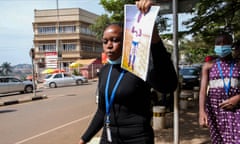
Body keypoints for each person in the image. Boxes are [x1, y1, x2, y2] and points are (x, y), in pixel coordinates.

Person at [78, 0, 178, 143]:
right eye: (105, 41)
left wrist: (155, 39)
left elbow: (168, 85)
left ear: (126, 41)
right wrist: (84, 139)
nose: (109, 46)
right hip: (109, 138)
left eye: (115, 40)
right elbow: (102, 111)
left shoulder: (139, 66)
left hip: (137, 139)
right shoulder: (105, 70)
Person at [199, 32, 240, 143]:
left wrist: (237, 98)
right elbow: (203, 91)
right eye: (218, 44)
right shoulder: (209, 66)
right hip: (214, 111)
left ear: (231, 45)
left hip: (236, 110)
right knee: (218, 140)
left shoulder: (238, 64)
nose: (221, 47)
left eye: (225, 43)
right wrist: (202, 112)